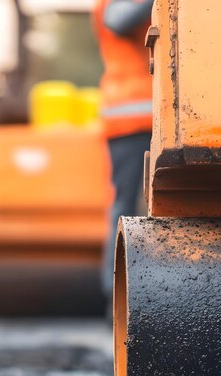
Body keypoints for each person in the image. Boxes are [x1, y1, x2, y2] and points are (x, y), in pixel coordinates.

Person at [93, 0, 154, 304]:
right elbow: (119, 20)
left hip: (168, 118)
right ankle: (115, 295)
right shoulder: (111, 3)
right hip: (128, 120)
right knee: (125, 207)